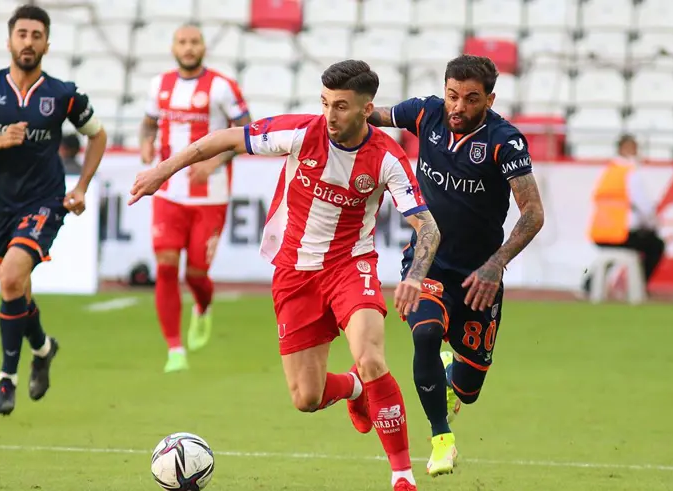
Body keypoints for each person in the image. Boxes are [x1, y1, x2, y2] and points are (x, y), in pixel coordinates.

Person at [130, 59, 441, 491]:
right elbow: (222, 139)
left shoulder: (387, 157)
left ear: (366, 109)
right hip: (294, 272)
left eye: (342, 106)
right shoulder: (300, 132)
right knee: (306, 397)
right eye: (325, 103)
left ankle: (402, 476)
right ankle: (355, 389)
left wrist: (415, 276)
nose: (330, 115)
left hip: (351, 266)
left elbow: (427, 226)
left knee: (372, 358)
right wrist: (162, 170)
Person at [368, 54, 545, 476]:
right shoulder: (425, 113)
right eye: (452, 95)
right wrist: (337, 113)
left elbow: (533, 213)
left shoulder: (505, 142)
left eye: (470, 99)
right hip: (428, 262)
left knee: (469, 388)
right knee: (426, 334)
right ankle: (441, 439)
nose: (458, 107)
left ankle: (453, 376)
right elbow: (371, 114)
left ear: (489, 100)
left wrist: (496, 264)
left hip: (479, 276)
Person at [0, 4, 108, 416]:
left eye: (36, 36)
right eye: (22, 34)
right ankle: (42, 347)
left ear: (47, 45)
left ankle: (7, 380)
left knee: (10, 278)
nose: (28, 42)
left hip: (44, 202)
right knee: (16, 289)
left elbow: (98, 135)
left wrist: (81, 187)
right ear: (9, 41)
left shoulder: (62, 94)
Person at [140, 23, 252, 373]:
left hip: (210, 196)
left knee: (196, 275)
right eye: (182, 42)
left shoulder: (222, 86)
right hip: (168, 192)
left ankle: (203, 306)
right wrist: (145, 142)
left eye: (194, 42)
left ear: (203, 47)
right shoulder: (158, 85)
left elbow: (247, 132)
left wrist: (214, 163)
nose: (188, 48)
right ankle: (174, 349)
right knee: (165, 265)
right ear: (173, 47)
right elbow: (148, 122)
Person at [583, 134, 665, 295]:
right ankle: (637, 287)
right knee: (655, 245)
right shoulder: (631, 173)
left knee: (613, 255)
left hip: (599, 233)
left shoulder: (608, 172)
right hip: (620, 233)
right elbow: (645, 207)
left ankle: (590, 285)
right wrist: (653, 226)